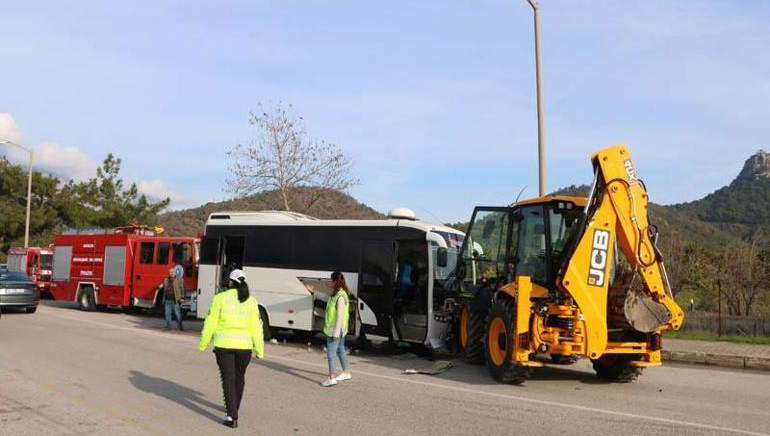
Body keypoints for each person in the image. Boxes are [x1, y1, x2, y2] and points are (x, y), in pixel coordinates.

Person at [199, 269, 264, 428]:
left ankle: (231, 416)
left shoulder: (220, 298)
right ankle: (234, 406)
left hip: (224, 346)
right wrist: (259, 349)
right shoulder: (251, 301)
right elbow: (256, 327)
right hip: (244, 347)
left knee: (228, 379)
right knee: (239, 377)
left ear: (230, 282)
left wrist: (204, 343)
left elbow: (211, 322)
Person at [320, 271, 352, 387]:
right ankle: (346, 372)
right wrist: (314, 292)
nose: (330, 282)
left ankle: (332, 378)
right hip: (338, 329)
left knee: (331, 354)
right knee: (340, 350)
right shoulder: (336, 294)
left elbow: (340, 316)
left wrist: (336, 333)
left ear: (336, 281)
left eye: (331, 280)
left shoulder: (340, 297)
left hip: (335, 330)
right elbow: (326, 298)